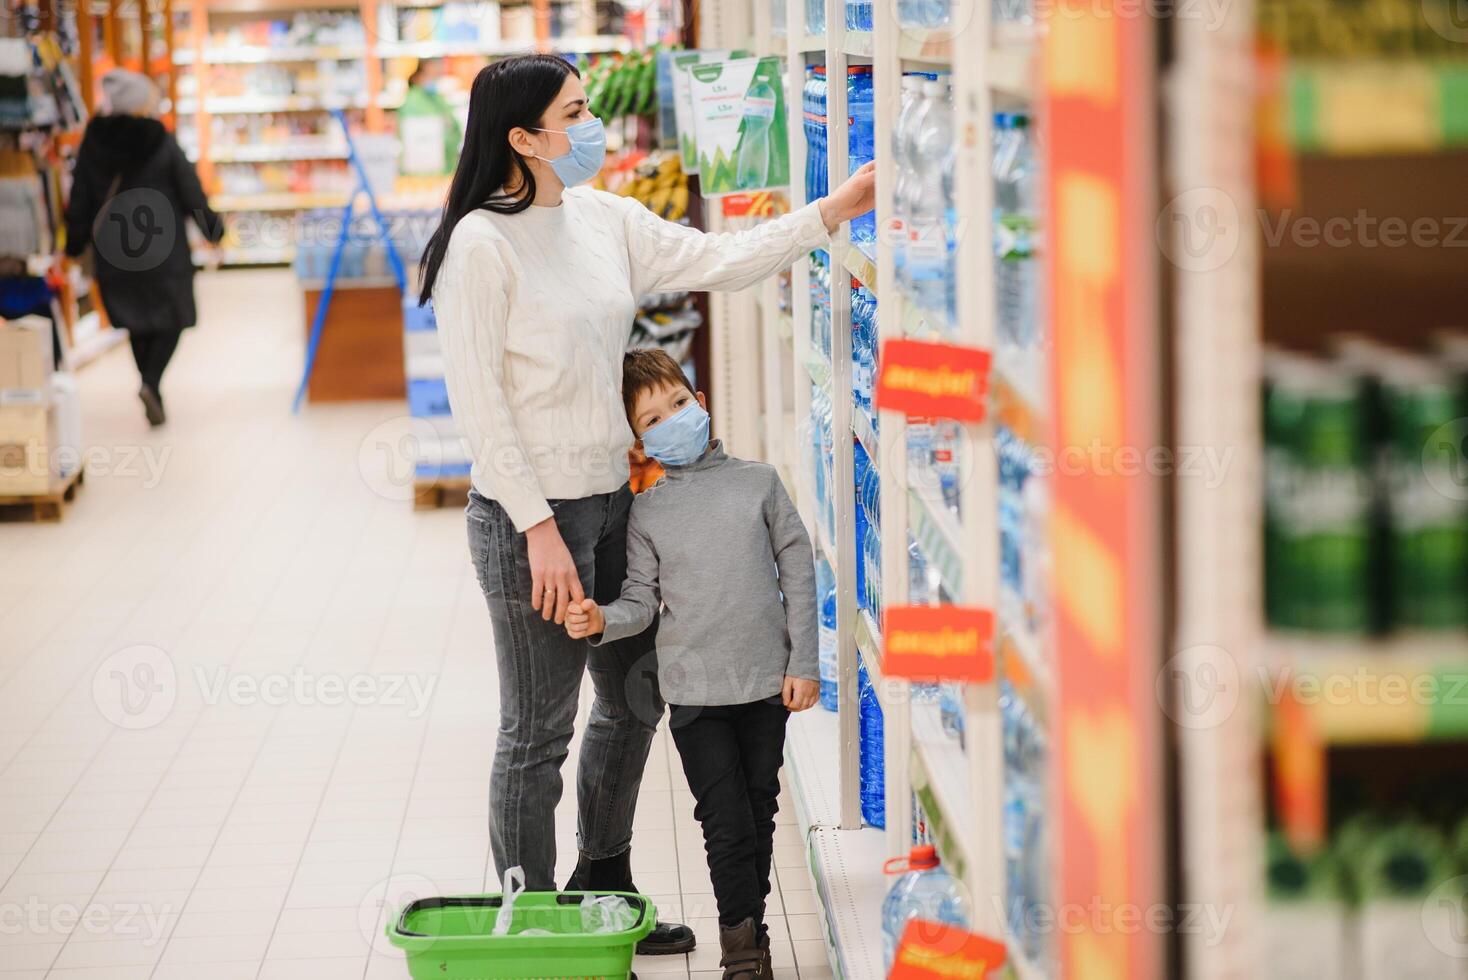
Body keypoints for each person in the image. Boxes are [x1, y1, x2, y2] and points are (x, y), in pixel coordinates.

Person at [417, 54, 873, 955]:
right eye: (575, 112)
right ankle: (533, 928)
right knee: (537, 730)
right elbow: (482, 406)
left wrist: (833, 213)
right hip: (530, 520)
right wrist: (538, 530)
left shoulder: (600, 218)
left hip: (612, 506)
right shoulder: (480, 245)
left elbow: (719, 258)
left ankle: (601, 887)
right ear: (524, 138)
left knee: (632, 702)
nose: (592, 128)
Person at [565, 349, 819, 979]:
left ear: (700, 402)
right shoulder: (648, 511)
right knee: (725, 818)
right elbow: (640, 603)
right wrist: (602, 620)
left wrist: (805, 663)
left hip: (765, 682)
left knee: (759, 806)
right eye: (652, 418)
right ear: (637, 440)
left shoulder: (759, 482)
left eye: (678, 404)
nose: (671, 420)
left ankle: (750, 931)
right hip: (695, 694)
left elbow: (800, 570)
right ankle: (741, 956)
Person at [64, 69, 224, 427]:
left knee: (136, 320)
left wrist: (74, 242)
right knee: (175, 316)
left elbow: (80, 196)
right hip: (162, 247)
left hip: (114, 249)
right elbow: (189, 188)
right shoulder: (160, 139)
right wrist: (213, 229)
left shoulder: (92, 143)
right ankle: (151, 382)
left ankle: (148, 384)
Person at [398, 58, 463, 176]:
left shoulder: (437, 97)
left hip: (444, 166)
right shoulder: (412, 100)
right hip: (419, 170)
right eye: (431, 74)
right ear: (419, 74)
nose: (434, 78)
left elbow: (454, 126)